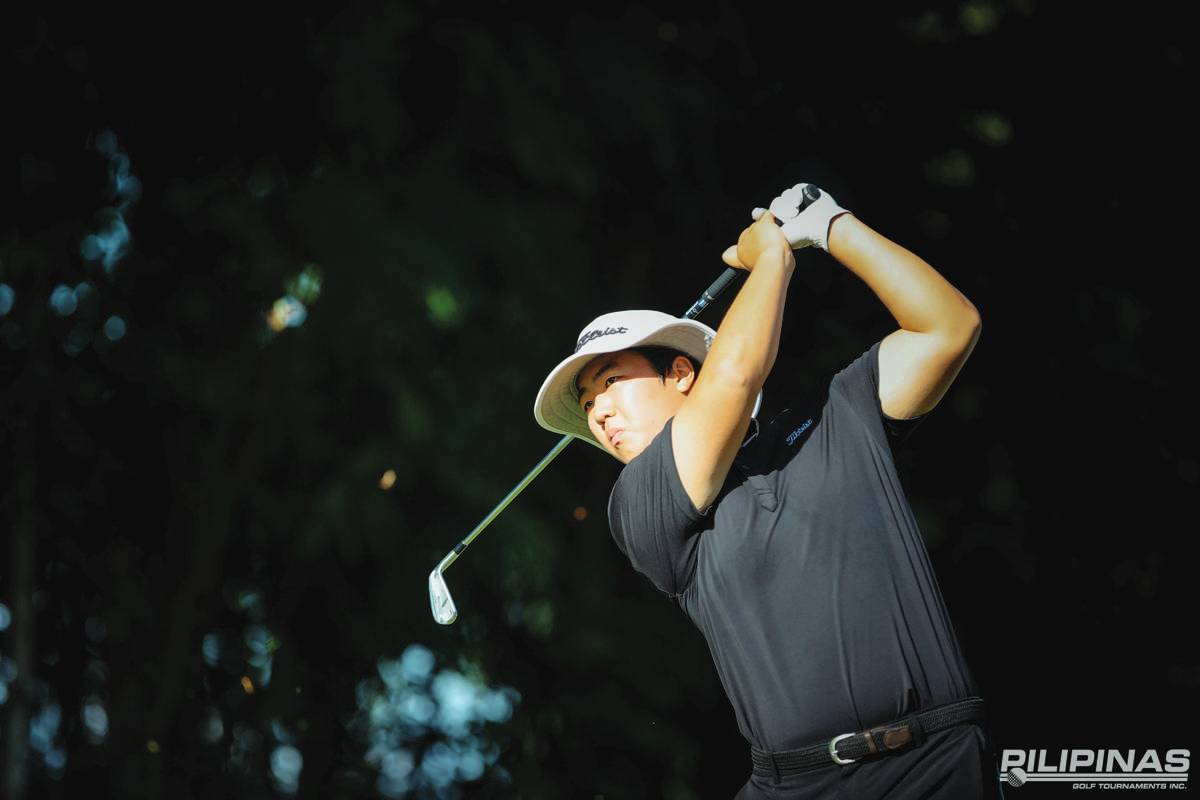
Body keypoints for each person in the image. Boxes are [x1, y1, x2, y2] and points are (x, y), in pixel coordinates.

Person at [533, 184, 1000, 799]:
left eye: (611, 382)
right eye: (588, 405)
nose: (598, 413)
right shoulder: (638, 503)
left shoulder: (835, 415)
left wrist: (833, 226)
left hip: (943, 765)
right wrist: (775, 257)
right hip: (802, 786)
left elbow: (949, 326)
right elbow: (735, 375)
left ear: (679, 373)